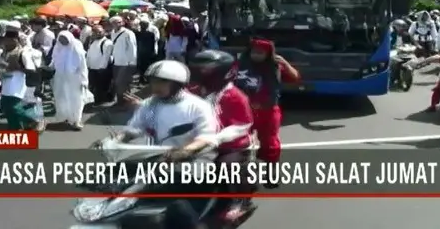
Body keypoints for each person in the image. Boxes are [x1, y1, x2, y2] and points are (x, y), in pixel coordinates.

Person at [100, 60, 218, 159]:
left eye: (162, 82)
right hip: (156, 159)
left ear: (177, 84)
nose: (156, 86)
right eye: (153, 82)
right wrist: (116, 141)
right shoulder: (150, 104)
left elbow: (206, 137)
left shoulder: (198, 106)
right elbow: (135, 128)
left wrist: (185, 151)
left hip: (190, 161)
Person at [188, 49, 255, 220]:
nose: (202, 74)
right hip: (196, 141)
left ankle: (240, 201)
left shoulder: (235, 96)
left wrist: (216, 138)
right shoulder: (192, 91)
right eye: (199, 69)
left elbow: (242, 125)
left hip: (230, 145)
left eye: (206, 70)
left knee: (229, 165)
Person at [234, 38, 300, 186]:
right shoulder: (239, 64)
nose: (256, 55)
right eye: (254, 51)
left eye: (260, 53)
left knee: (271, 144)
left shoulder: (276, 66)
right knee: (238, 143)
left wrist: (285, 63)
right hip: (243, 111)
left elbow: (295, 77)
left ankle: (271, 173)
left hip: (268, 110)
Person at [0, 31, 46, 132]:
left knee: (14, 107)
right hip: (6, 81)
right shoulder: (4, 52)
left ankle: (33, 120)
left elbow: (31, 69)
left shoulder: (22, 53)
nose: (5, 42)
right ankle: (15, 128)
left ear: (14, 40)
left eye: (7, 40)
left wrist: (17, 68)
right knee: (6, 107)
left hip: (17, 82)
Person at [51, 31, 90, 130]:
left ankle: (76, 120)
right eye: (61, 39)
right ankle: (65, 118)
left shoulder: (76, 48)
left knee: (76, 99)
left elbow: (83, 66)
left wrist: (84, 80)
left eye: (65, 39)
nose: (62, 41)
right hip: (60, 77)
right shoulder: (58, 47)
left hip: (75, 78)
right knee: (61, 98)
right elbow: (54, 60)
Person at [110, 16, 137, 105]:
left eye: (119, 22)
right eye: (115, 22)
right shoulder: (113, 33)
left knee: (123, 83)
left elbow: (133, 48)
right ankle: (120, 102)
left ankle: (127, 102)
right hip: (116, 61)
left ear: (122, 23)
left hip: (126, 63)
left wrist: (132, 62)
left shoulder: (128, 33)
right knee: (118, 83)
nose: (117, 24)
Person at [87, 25, 114, 104]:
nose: (98, 34)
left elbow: (106, 56)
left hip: (102, 69)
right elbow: (89, 54)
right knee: (94, 85)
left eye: (100, 32)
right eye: (95, 32)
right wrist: (87, 65)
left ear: (104, 32)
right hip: (92, 67)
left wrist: (102, 68)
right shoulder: (93, 42)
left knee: (101, 86)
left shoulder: (107, 42)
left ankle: (101, 101)